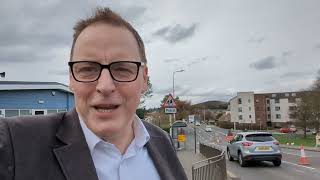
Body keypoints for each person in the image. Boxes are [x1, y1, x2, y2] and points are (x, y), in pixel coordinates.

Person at [0, 7, 187, 180]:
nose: (105, 86)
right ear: (71, 78)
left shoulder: (162, 141)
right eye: (88, 69)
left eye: (122, 69)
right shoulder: (15, 142)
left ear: (144, 79)